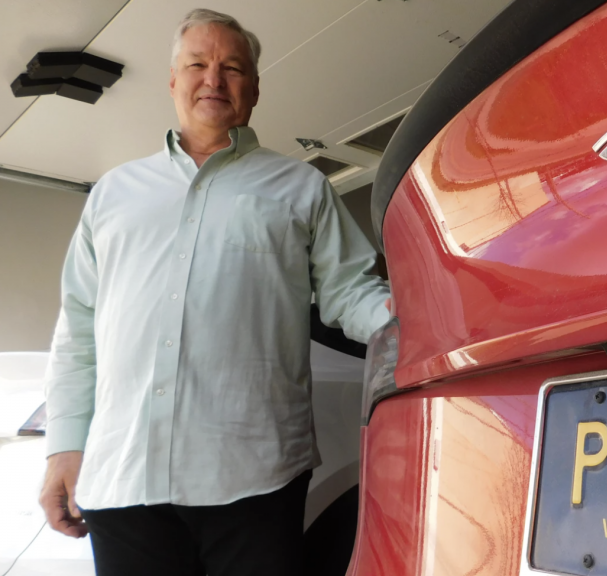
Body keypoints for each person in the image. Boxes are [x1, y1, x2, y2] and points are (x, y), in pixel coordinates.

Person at [38, 8, 391, 575]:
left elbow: (350, 292)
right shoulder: (113, 194)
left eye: (232, 67)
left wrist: (408, 321)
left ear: (253, 88)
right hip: (124, 478)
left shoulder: (301, 187)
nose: (214, 79)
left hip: (255, 481)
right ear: (173, 80)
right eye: (197, 64)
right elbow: (78, 329)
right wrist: (63, 446)